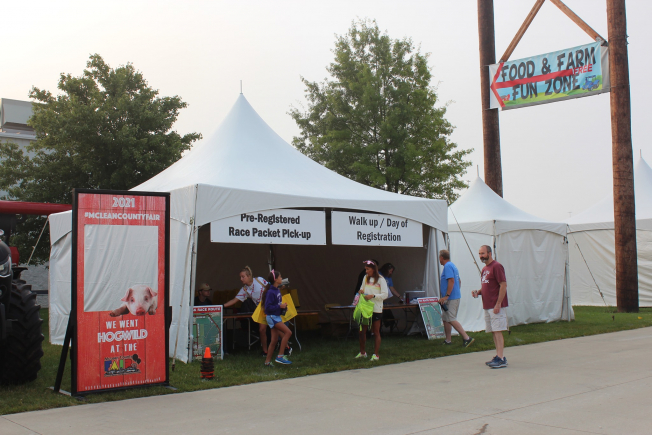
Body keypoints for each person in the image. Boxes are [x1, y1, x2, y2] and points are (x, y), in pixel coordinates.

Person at [472, 245, 508, 369]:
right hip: (487, 305)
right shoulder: (484, 269)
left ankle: (502, 358)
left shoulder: (497, 266)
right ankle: (498, 356)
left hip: (495, 305)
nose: (481, 256)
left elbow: (503, 285)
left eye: (483, 253)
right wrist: (478, 292)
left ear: (489, 253)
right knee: (493, 331)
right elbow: (486, 285)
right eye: (479, 254)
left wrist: (498, 304)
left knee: (498, 331)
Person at [223, 266, 270, 356]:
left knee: (277, 327)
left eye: (243, 276)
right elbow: (234, 300)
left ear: (249, 276)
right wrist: (222, 306)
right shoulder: (245, 289)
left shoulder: (259, 280)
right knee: (262, 330)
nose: (241, 279)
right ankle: (265, 351)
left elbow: (270, 287)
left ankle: (286, 347)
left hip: (270, 306)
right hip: (261, 309)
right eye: (240, 277)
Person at [438, 250, 474, 347]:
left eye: (439, 258)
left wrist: (447, 295)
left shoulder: (447, 266)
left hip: (451, 298)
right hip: (454, 296)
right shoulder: (453, 265)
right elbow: (459, 281)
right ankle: (448, 340)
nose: (439, 260)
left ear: (442, 257)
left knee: (451, 318)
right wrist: (456, 291)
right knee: (446, 319)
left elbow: (452, 280)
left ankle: (467, 338)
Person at [356, 260, 389, 361]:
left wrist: (373, 296)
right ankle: (362, 352)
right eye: (365, 269)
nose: (366, 271)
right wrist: (361, 291)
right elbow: (362, 289)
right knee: (362, 331)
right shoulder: (365, 278)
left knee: (376, 331)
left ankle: (376, 354)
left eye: (368, 269)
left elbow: (385, 294)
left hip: (376, 308)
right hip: (365, 308)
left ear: (373, 269)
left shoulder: (381, 279)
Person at [263, 270, 293, 366]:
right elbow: (267, 308)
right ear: (276, 279)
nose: (281, 278)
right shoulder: (271, 292)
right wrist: (279, 307)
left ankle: (267, 362)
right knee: (288, 332)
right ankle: (280, 356)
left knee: (274, 340)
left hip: (276, 316)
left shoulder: (276, 290)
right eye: (280, 277)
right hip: (272, 317)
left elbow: (276, 304)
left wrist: (282, 307)